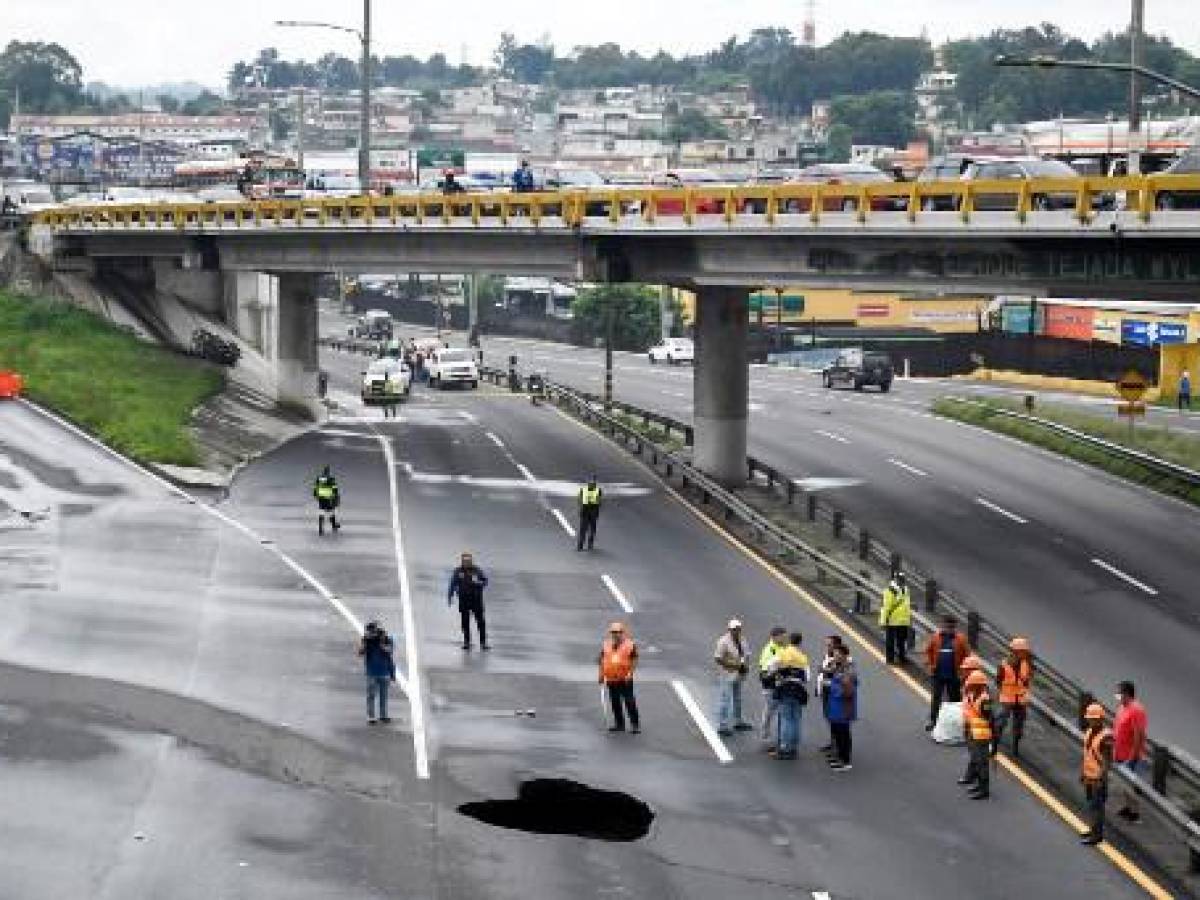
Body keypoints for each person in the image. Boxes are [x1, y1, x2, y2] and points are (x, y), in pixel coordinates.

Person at [767, 632, 810, 760]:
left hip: (785, 688)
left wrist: (777, 674)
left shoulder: (783, 653)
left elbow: (770, 666)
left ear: (790, 640)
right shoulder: (803, 658)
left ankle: (785, 748)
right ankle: (793, 747)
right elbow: (807, 677)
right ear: (800, 642)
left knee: (786, 719)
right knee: (796, 719)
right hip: (798, 690)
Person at [924, 615, 969, 731]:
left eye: (951, 626)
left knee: (955, 700)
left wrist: (964, 673)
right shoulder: (936, 637)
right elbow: (928, 651)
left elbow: (968, 656)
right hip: (938, 674)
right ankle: (933, 721)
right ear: (943, 625)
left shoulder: (961, 639)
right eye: (947, 626)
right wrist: (930, 665)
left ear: (954, 627)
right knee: (936, 699)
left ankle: (957, 723)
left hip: (954, 675)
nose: (948, 629)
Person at [1112, 681, 1148, 824]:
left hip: (1131, 756)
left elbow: (1139, 735)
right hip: (1120, 753)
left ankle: (1135, 813)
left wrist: (1133, 757)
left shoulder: (1136, 710)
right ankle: (1127, 807)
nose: (1117, 695)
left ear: (1127, 694)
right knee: (1123, 783)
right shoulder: (1122, 707)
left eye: (1119, 693)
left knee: (1132, 785)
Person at [993, 637, 1033, 758]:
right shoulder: (1004, 665)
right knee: (1000, 723)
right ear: (1015, 651)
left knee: (1019, 726)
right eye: (1023, 651)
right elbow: (998, 681)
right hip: (1007, 699)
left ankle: (1015, 748)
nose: (1025, 653)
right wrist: (1006, 692)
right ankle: (994, 746)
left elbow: (1027, 680)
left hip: (1020, 700)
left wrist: (1024, 693)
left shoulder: (1026, 664)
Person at [1080, 702, 1114, 845]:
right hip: (1089, 776)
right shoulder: (1089, 732)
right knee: (1090, 805)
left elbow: (1107, 761)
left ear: (1101, 719)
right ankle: (1093, 829)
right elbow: (1088, 755)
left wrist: (1102, 778)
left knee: (1097, 807)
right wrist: (1083, 773)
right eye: (1089, 718)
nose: (1091, 720)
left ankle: (1097, 835)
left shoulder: (1106, 738)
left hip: (1098, 779)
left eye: (1094, 718)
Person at [598, 622, 640, 733]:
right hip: (611, 679)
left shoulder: (630, 645)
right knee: (615, 702)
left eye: (618, 632)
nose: (616, 634)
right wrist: (601, 675)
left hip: (624, 678)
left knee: (629, 701)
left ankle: (635, 725)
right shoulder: (606, 645)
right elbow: (601, 660)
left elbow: (634, 659)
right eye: (613, 632)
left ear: (623, 633)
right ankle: (619, 724)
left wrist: (630, 673)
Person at [959, 670, 994, 799]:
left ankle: (984, 790)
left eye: (973, 684)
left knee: (982, 762)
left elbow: (989, 719)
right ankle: (979, 785)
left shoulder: (985, 701)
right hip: (972, 732)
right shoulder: (972, 695)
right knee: (976, 760)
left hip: (981, 735)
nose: (970, 685)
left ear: (979, 685)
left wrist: (992, 740)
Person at [713, 618, 752, 736]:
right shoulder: (723, 642)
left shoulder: (742, 639)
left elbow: (746, 654)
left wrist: (745, 666)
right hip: (727, 674)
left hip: (739, 673)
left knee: (738, 698)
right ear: (729, 629)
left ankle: (738, 721)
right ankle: (722, 725)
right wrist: (735, 665)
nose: (737, 631)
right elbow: (718, 658)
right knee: (725, 700)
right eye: (734, 629)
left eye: (738, 629)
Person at [447, 551, 490, 650]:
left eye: (468, 560)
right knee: (465, 622)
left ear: (471, 561)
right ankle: (467, 642)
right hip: (464, 600)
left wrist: (478, 582)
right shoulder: (458, 571)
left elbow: (485, 581)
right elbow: (452, 584)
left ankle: (483, 642)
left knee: (480, 622)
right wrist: (450, 596)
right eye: (465, 561)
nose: (466, 562)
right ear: (462, 561)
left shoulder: (477, 570)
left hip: (476, 600)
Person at [825, 644, 858, 771]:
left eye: (838, 654)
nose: (835, 656)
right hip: (836, 706)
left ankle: (845, 761)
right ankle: (839, 756)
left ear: (845, 655)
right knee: (837, 732)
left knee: (843, 733)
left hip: (843, 706)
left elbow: (848, 690)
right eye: (834, 654)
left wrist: (830, 685)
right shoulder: (839, 667)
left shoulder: (848, 670)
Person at [357, 621, 396, 725]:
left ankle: (383, 715)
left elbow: (390, 650)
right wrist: (365, 644)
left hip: (384, 672)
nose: (371, 634)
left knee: (384, 696)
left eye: (372, 631)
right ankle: (371, 717)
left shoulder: (386, 639)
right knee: (371, 695)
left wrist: (381, 644)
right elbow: (360, 653)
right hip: (371, 672)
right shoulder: (366, 640)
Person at [757, 626, 789, 750]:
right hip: (771, 685)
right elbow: (765, 670)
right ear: (775, 636)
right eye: (783, 636)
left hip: (775, 684)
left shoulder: (779, 647)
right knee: (771, 710)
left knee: (772, 710)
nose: (785, 638)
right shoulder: (770, 650)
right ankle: (766, 736)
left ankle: (769, 734)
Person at [879, 572, 912, 665]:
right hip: (892, 620)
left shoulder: (906, 590)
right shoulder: (890, 590)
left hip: (903, 620)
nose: (901, 581)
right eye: (899, 579)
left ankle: (902, 658)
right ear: (895, 579)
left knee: (901, 641)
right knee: (891, 641)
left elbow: (907, 605)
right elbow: (886, 607)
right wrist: (883, 621)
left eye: (902, 579)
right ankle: (890, 659)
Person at [313, 465, 341, 536]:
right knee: (331, 511)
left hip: (320, 496)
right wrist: (335, 496)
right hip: (329, 497)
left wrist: (315, 494)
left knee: (322, 511)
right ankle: (334, 525)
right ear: (328, 472)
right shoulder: (331, 479)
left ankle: (320, 528)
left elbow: (315, 487)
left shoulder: (319, 479)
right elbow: (334, 488)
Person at [577, 475, 603, 551]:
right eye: (591, 481)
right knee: (585, 529)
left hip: (591, 511)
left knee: (589, 529)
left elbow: (579, 499)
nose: (592, 483)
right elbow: (579, 499)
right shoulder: (595, 490)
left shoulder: (596, 490)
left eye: (593, 482)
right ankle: (583, 545)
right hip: (588, 510)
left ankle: (586, 545)